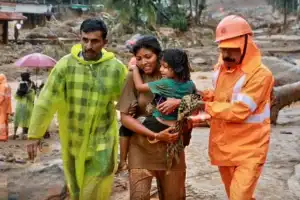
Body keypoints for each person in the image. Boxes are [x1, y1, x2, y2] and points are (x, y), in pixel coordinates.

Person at [26, 18, 128, 200]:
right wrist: (35, 134)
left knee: (93, 192)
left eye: (95, 41)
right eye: (85, 40)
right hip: (73, 141)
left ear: (105, 42)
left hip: (102, 143)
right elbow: (46, 99)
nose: (89, 46)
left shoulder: (116, 69)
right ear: (79, 38)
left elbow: (129, 101)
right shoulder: (65, 66)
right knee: (77, 191)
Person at [194, 15, 274, 200]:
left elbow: (240, 111)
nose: (226, 55)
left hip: (250, 150)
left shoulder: (261, 75)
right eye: (223, 50)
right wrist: (202, 95)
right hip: (224, 147)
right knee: (235, 196)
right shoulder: (221, 68)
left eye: (232, 50)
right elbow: (222, 95)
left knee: (239, 197)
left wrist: (204, 105)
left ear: (246, 45)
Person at [118, 36, 189, 200]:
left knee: (174, 197)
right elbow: (125, 118)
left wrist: (178, 102)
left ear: (159, 55)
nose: (144, 63)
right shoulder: (133, 78)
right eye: (139, 59)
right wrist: (155, 135)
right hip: (141, 147)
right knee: (139, 196)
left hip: (171, 149)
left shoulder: (175, 77)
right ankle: (122, 161)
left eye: (148, 57)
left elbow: (196, 101)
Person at [129, 48, 196, 141]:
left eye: (165, 67)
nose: (161, 69)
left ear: (176, 68)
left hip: (160, 123)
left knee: (128, 126)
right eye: (160, 66)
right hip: (177, 124)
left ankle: (123, 155)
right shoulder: (190, 84)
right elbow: (195, 98)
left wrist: (135, 69)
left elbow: (139, 87)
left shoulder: (165, 83)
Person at [117, 34, 144, 172]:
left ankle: (122, 160)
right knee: (125, 126)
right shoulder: (135, 63)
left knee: (124, 128)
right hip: (136, 97)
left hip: (138, 99)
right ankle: (122, 161)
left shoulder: (133, 62)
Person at [13, 72, 36, 139]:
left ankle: (14, 133)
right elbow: (34, 94)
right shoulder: (32, 83)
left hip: (20, 104)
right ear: (29, 77)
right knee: (27, 119)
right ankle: (24, 133)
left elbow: (17, 95)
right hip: (29, 104)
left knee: (17, 118)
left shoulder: (21, 84)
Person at [0, 74, 12, 142]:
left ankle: (2, 136)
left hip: (2, 106)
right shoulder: (8, 85)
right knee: (5, 121)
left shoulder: (2, 86)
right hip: (8, 106)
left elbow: (1, 97)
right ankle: (6, 135)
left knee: (1, 121)